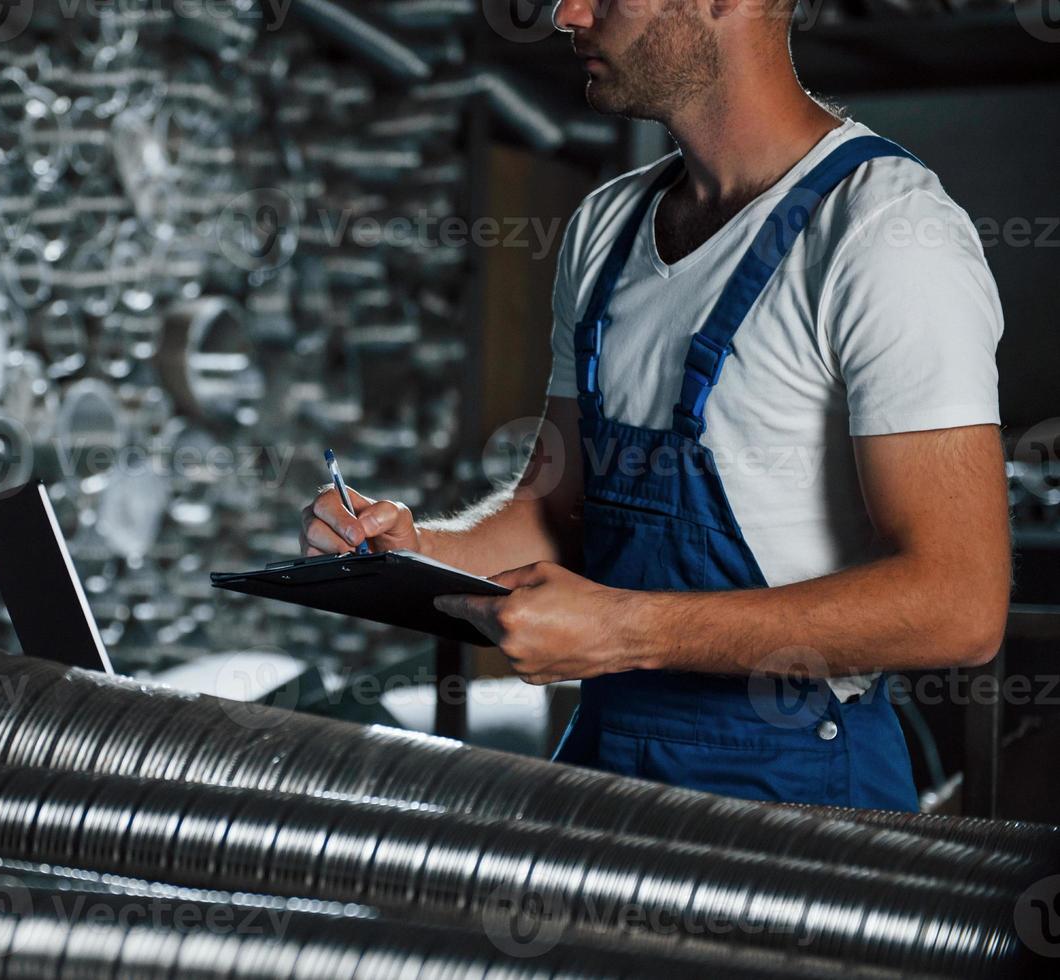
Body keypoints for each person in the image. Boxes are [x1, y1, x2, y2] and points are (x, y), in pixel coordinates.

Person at [299, 0, 1010, 808]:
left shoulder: (885, 230)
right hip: (609, 765)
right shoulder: (606, 226)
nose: (567, 13)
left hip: (794, 793)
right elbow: (556, 511)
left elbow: (959, 603)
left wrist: (627, 631)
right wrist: (413, 549)